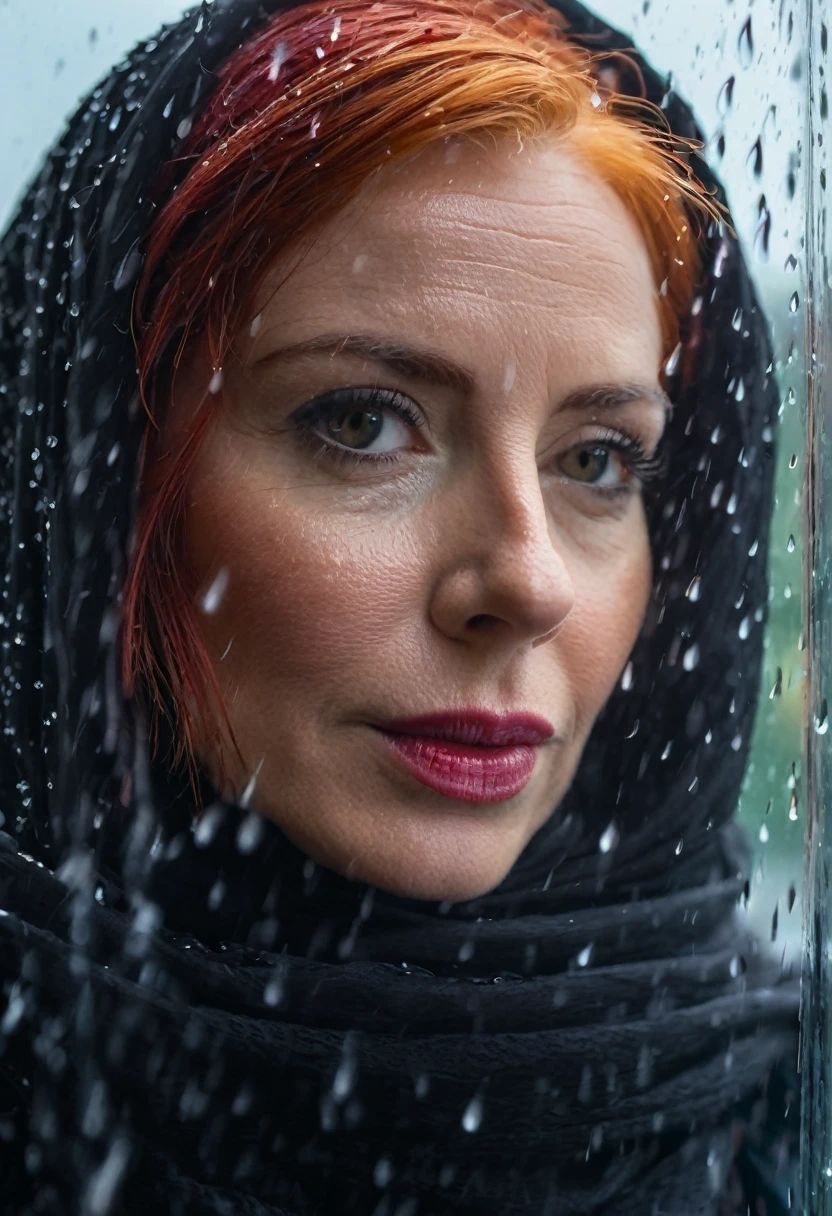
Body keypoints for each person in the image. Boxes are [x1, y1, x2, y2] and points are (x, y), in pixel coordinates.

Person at [0, 1, 799, 1213]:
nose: (528, 584)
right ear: (98, 481)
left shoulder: (795, 1127)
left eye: (597, 460)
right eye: (363, 421)